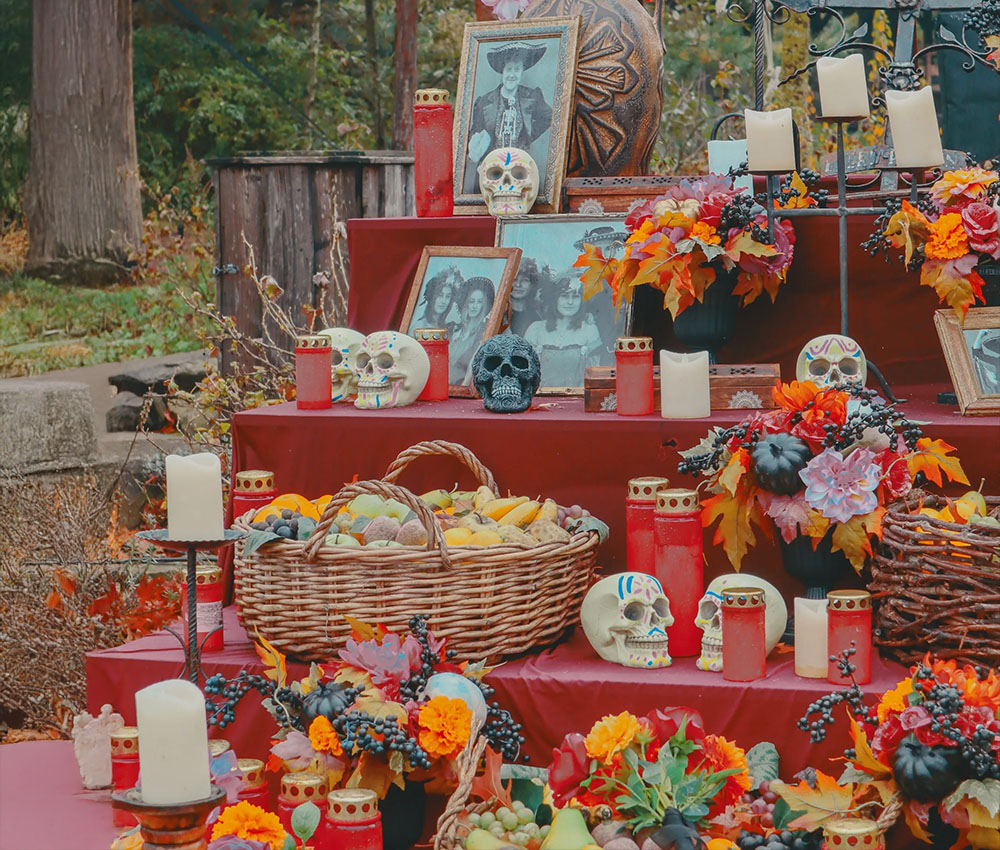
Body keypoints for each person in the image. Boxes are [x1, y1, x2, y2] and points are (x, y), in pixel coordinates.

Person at [463, 42, 553, 195]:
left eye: (517, 69)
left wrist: (527, 135)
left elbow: (548, 117)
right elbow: (476, 131)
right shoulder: (485, 101)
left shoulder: (532, 96)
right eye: (509, 69)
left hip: (520, 169)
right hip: (492, 169)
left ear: (522, 71)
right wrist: (478, 155)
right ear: (502, 72)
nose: (512, 75)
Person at [523, 271, 603, 388]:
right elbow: (525, 374)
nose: (570, 302)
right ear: (555, 299)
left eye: (575, 297)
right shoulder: (536, 330)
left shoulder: (589, 331)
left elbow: (594, 378)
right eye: (564, 296)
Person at [449, 276, 496, 384]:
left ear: (484, 306)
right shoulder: (453, 330)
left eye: (479, 302)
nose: (474, 306)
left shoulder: (484, 334)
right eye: (471, 301)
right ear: (466, 304)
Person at [411, 265, 462, 332]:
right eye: (440, 295)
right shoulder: (419, 327)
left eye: (448, 296)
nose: (443, 301)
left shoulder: (448, 327)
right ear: (432, 297)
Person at [507, 256, 549, 336]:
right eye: (515, 279)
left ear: (532, 285)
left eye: (525, 280)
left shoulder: (539, 315)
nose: (518, 285)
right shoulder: (500, 314)